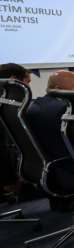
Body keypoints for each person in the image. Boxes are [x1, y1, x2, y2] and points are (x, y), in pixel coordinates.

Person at [25, 71, 74, 211]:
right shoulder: (60, 110)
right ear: (59, 89)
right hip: (67, 168)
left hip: (49, 167)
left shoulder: (37, 105)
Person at [0, 63, 33, 201]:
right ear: (13, 80)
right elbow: (0, 147)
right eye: (28, 82)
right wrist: (11, 179)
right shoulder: (4, 105)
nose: (29, 87)